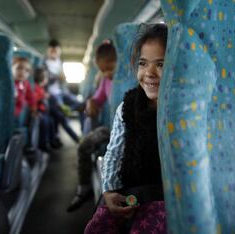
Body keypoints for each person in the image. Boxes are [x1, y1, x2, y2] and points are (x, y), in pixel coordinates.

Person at [84, 23, 168, 233]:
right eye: (142, 63)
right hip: (128, 190)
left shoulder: (182, 111)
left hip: (164, 195)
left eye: (161, 64)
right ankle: (83, 187)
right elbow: (114, 152)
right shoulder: (127, 107)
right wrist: (109, 191)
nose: (149, 73)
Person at [66, 40, 117, 211]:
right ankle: (84, 188)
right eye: (102, 70)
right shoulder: (105, 79)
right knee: (84, 146)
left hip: (133, 130)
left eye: (110, 67)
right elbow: (98, 99)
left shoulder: (132, 75)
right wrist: (91, 103)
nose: (106, 73)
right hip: (112, 129)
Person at [33, 68, 58, 152]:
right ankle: (43, 143)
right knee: (45, 122)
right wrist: (43, 96)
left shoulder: (42, 88)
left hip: (44, 111)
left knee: (51, 121)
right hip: (38, 111)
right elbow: (34, 99)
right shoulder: (36, 87)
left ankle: (52, 141)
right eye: (46, 78)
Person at [13, 57, 36, 124]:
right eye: (19, 68)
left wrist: (33, 108)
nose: (22, 72)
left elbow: (31, 97)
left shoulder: (25, 83)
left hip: (19, 115)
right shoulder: (9, 83)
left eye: (27, 70)